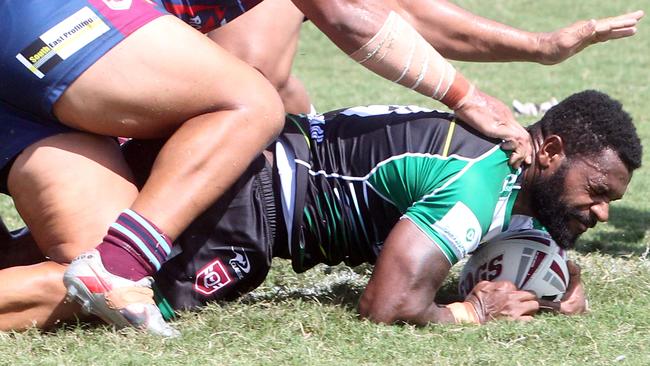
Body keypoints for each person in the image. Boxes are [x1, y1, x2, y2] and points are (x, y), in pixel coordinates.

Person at [0, 90, 640, 330]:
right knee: (113, 294)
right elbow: (387, 305)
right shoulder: (479, 184)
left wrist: (554, 287)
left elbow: (528, 229)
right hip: (247, 208)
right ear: (549, 151)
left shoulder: (499, 166)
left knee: (60, 251)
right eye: (598, 190)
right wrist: (470, 311)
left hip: (249, 163)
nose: (603, 211)